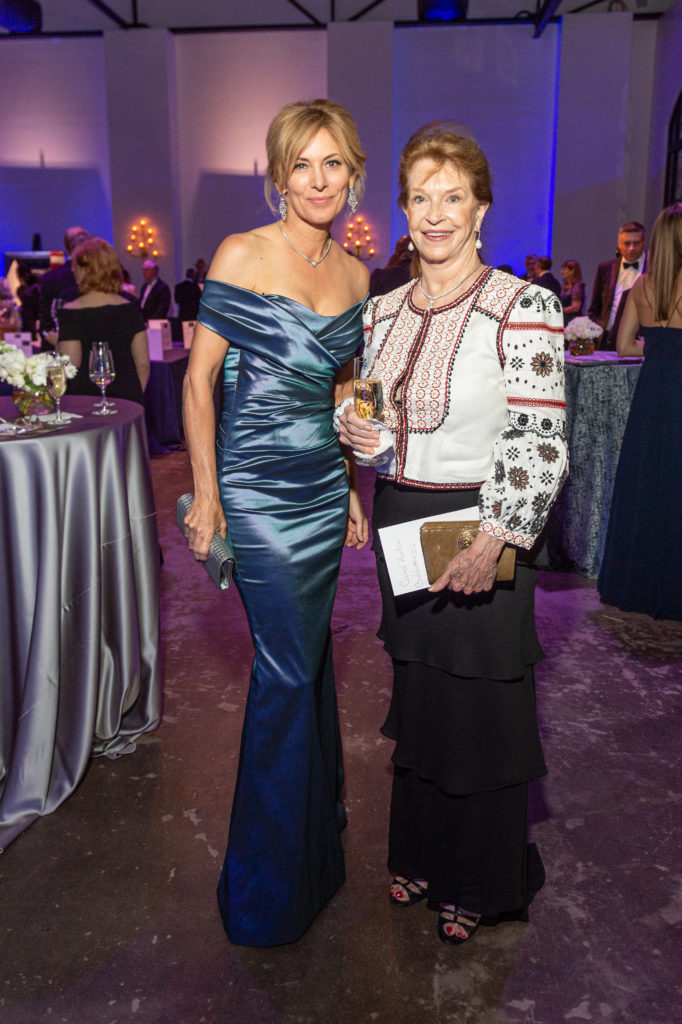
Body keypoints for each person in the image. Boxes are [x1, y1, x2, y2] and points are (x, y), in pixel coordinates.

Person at [339, 128, 568, 946]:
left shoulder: (522, 305)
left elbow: (540, 438)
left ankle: (479, 877)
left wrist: (499, 539)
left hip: (483, 520)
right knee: (424, 700)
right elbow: (374, 413)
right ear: (403, 209)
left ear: (481, 210)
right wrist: (360, 446)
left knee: (483, 712)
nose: (435, 213)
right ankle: (423, 852)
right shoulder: (383, 310)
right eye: (420, 197)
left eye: (453, 197)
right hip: (406, 519)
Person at [182, 98, 369, 947]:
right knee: (286, 672)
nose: (319, 180)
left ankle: (311, 861)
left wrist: (353, 482)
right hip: (256, 493)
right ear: (279, 175)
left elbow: (342, 393)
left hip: (323, 492)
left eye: (333, 164)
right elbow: (197, 383)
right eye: (304, 164)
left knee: (310, 663)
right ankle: (263, 893)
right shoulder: (243, 254)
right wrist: (208, 493)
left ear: (352, 175)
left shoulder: (358, 276)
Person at [598, 201, 682, 620]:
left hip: (653, 392)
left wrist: (660, 348)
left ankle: (635, 584)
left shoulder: (643, 287)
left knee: (648, 485)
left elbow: (624, 346)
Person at [57, 237, 150, 404]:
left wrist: (56, 342)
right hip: (127, 396)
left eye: (76, 266)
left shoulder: (71, 311)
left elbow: (72, 363)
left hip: (85, 399)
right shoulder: (130, 307)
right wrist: (135, 398)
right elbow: (143, 363)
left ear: (88, 270)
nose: (72, 270)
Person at [588, 220, 647, 349]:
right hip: (607, 341)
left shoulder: (654, 269)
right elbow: (595, 307)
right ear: (619, 244)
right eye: (627, 243)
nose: (631, 248)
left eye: (636, 243)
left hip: (641, 342)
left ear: (644, 243)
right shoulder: (605, 268)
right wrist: (601, 327)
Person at [37, 225, 90, 339]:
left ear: (66, 247)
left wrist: (53, 340)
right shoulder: (101, 273)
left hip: (63, 345)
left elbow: (45, 325)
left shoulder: (51, 277)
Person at [559, 259, 586, 325]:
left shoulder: (577, 286)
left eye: (564, 269)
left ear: (572, 271)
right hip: (564, 320)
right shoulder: (565, 286)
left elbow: (575, 307)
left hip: (572, 322)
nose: (561, 272)